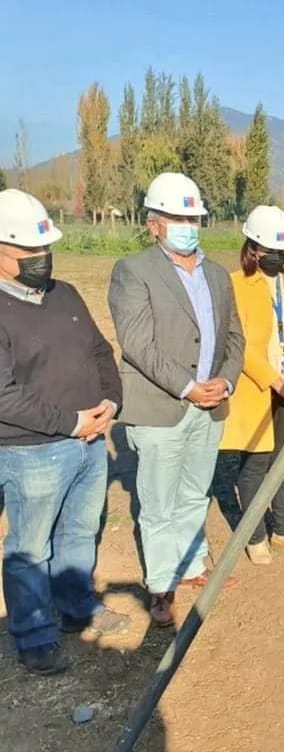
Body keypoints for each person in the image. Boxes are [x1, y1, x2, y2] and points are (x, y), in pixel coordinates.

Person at [0, 190, 129, 674]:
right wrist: (71, 422)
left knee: (79, 530)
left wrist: (109, 402)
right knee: (30, 547)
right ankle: (34, 635)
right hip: (32, 451)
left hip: (90, 441)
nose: (41, 259)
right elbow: (3, 395)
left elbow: (101, 351)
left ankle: (78, 608)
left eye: (44, 249)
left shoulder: (66, 294)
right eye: (29, 253)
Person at [109, 173, 244, 628]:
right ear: (154, 224)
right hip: (163, 407)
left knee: (194, 492)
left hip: (211, 404)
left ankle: (192, 565)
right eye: (178, 217)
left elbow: (234, 338)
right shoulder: (134, 272)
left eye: (194, 216)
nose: (189, 224)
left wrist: (224, 382)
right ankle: (162, 586)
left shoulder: (217, 274)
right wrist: (188, 386)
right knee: (159, 500)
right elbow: (138, 344)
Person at [221, 205, 284, 564]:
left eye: (282, 251)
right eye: (270, 251)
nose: (277, 258)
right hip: (259, 390)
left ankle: (283, 529)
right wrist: (276, 381)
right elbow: (241, 344)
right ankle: (255, 536)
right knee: (255, 465)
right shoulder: (235, 285)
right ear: (253, 249)